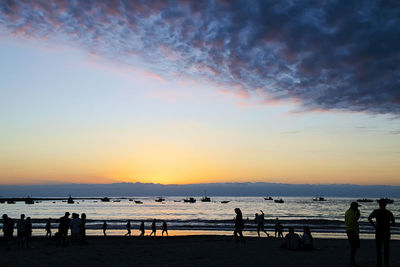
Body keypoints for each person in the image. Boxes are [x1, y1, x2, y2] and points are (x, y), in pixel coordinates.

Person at [368, 198, 396, 267]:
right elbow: (394, 223)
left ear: (379, 204)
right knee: (386, 249)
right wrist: (387, 224)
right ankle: (386, 264)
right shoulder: (389, 213)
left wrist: (374, 226)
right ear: (386, 204)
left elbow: (369, 218)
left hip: (379, 232)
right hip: (386, 232)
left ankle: (379, 263)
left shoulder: (376, 211)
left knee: (379, 249)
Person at [345, 202, 361, 267]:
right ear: (353, 206)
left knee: (354, 247)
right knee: (354, 247)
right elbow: (351, 222)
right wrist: (354, 232)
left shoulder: (349, 212)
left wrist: (357, 215)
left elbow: (354, 220)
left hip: (350, 231)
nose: (357, 208)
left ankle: (352, 261)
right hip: (352, 232)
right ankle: (352, 261)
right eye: (356, 207)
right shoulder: (351, 213)